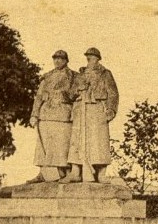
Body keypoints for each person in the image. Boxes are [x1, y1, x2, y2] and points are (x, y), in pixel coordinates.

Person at [61, 47, 118, 183]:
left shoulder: (105, 74)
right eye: (88, 56)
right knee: (77, 140)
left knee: (99, 141)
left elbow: (113, 93)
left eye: (92, 56)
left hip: (97, 108)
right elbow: (70, 95)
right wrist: (77, 90)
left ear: (98, 58)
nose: (89, 59)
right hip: (81, 109)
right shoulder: (80, 75)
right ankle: (75, 172)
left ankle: (101, 174)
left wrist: (111, 110)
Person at [26, 50, 76, 183]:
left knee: (62, 146)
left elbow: (76, 95)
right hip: (46, 114)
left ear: (66, 61)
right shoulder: (47, 77)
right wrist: (34, 115)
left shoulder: (73, 76)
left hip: (63, 115)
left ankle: (64, 173)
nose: (57, 61)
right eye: (55, 59)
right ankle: (43, 173)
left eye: (60, 59)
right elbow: (38, 97)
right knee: (44, 146)